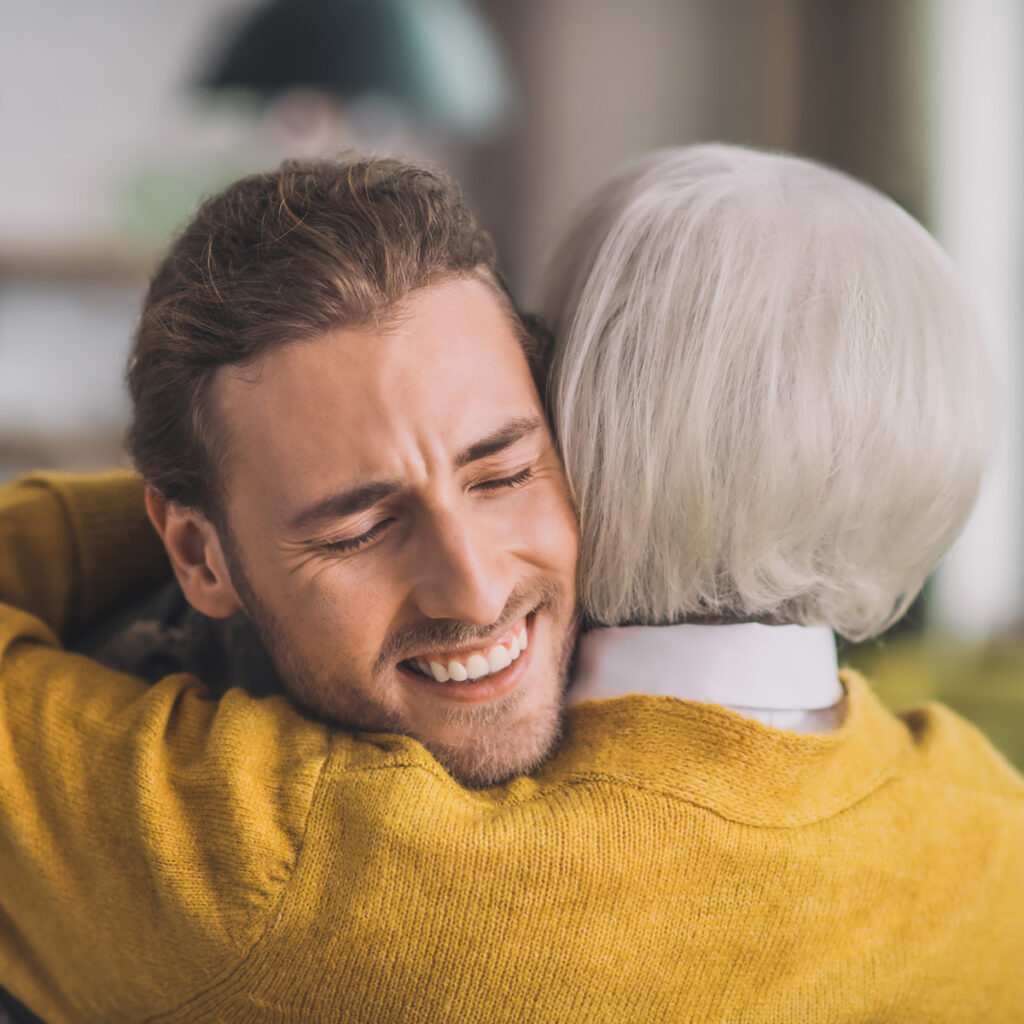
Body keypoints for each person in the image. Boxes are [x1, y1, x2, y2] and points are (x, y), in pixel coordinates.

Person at [1, 145, 1022, 1023]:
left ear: (582, 419)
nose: (473, 586)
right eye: (357, 526)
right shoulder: (984, 825)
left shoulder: (268, 864)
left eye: (500, 470)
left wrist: (221, 514)